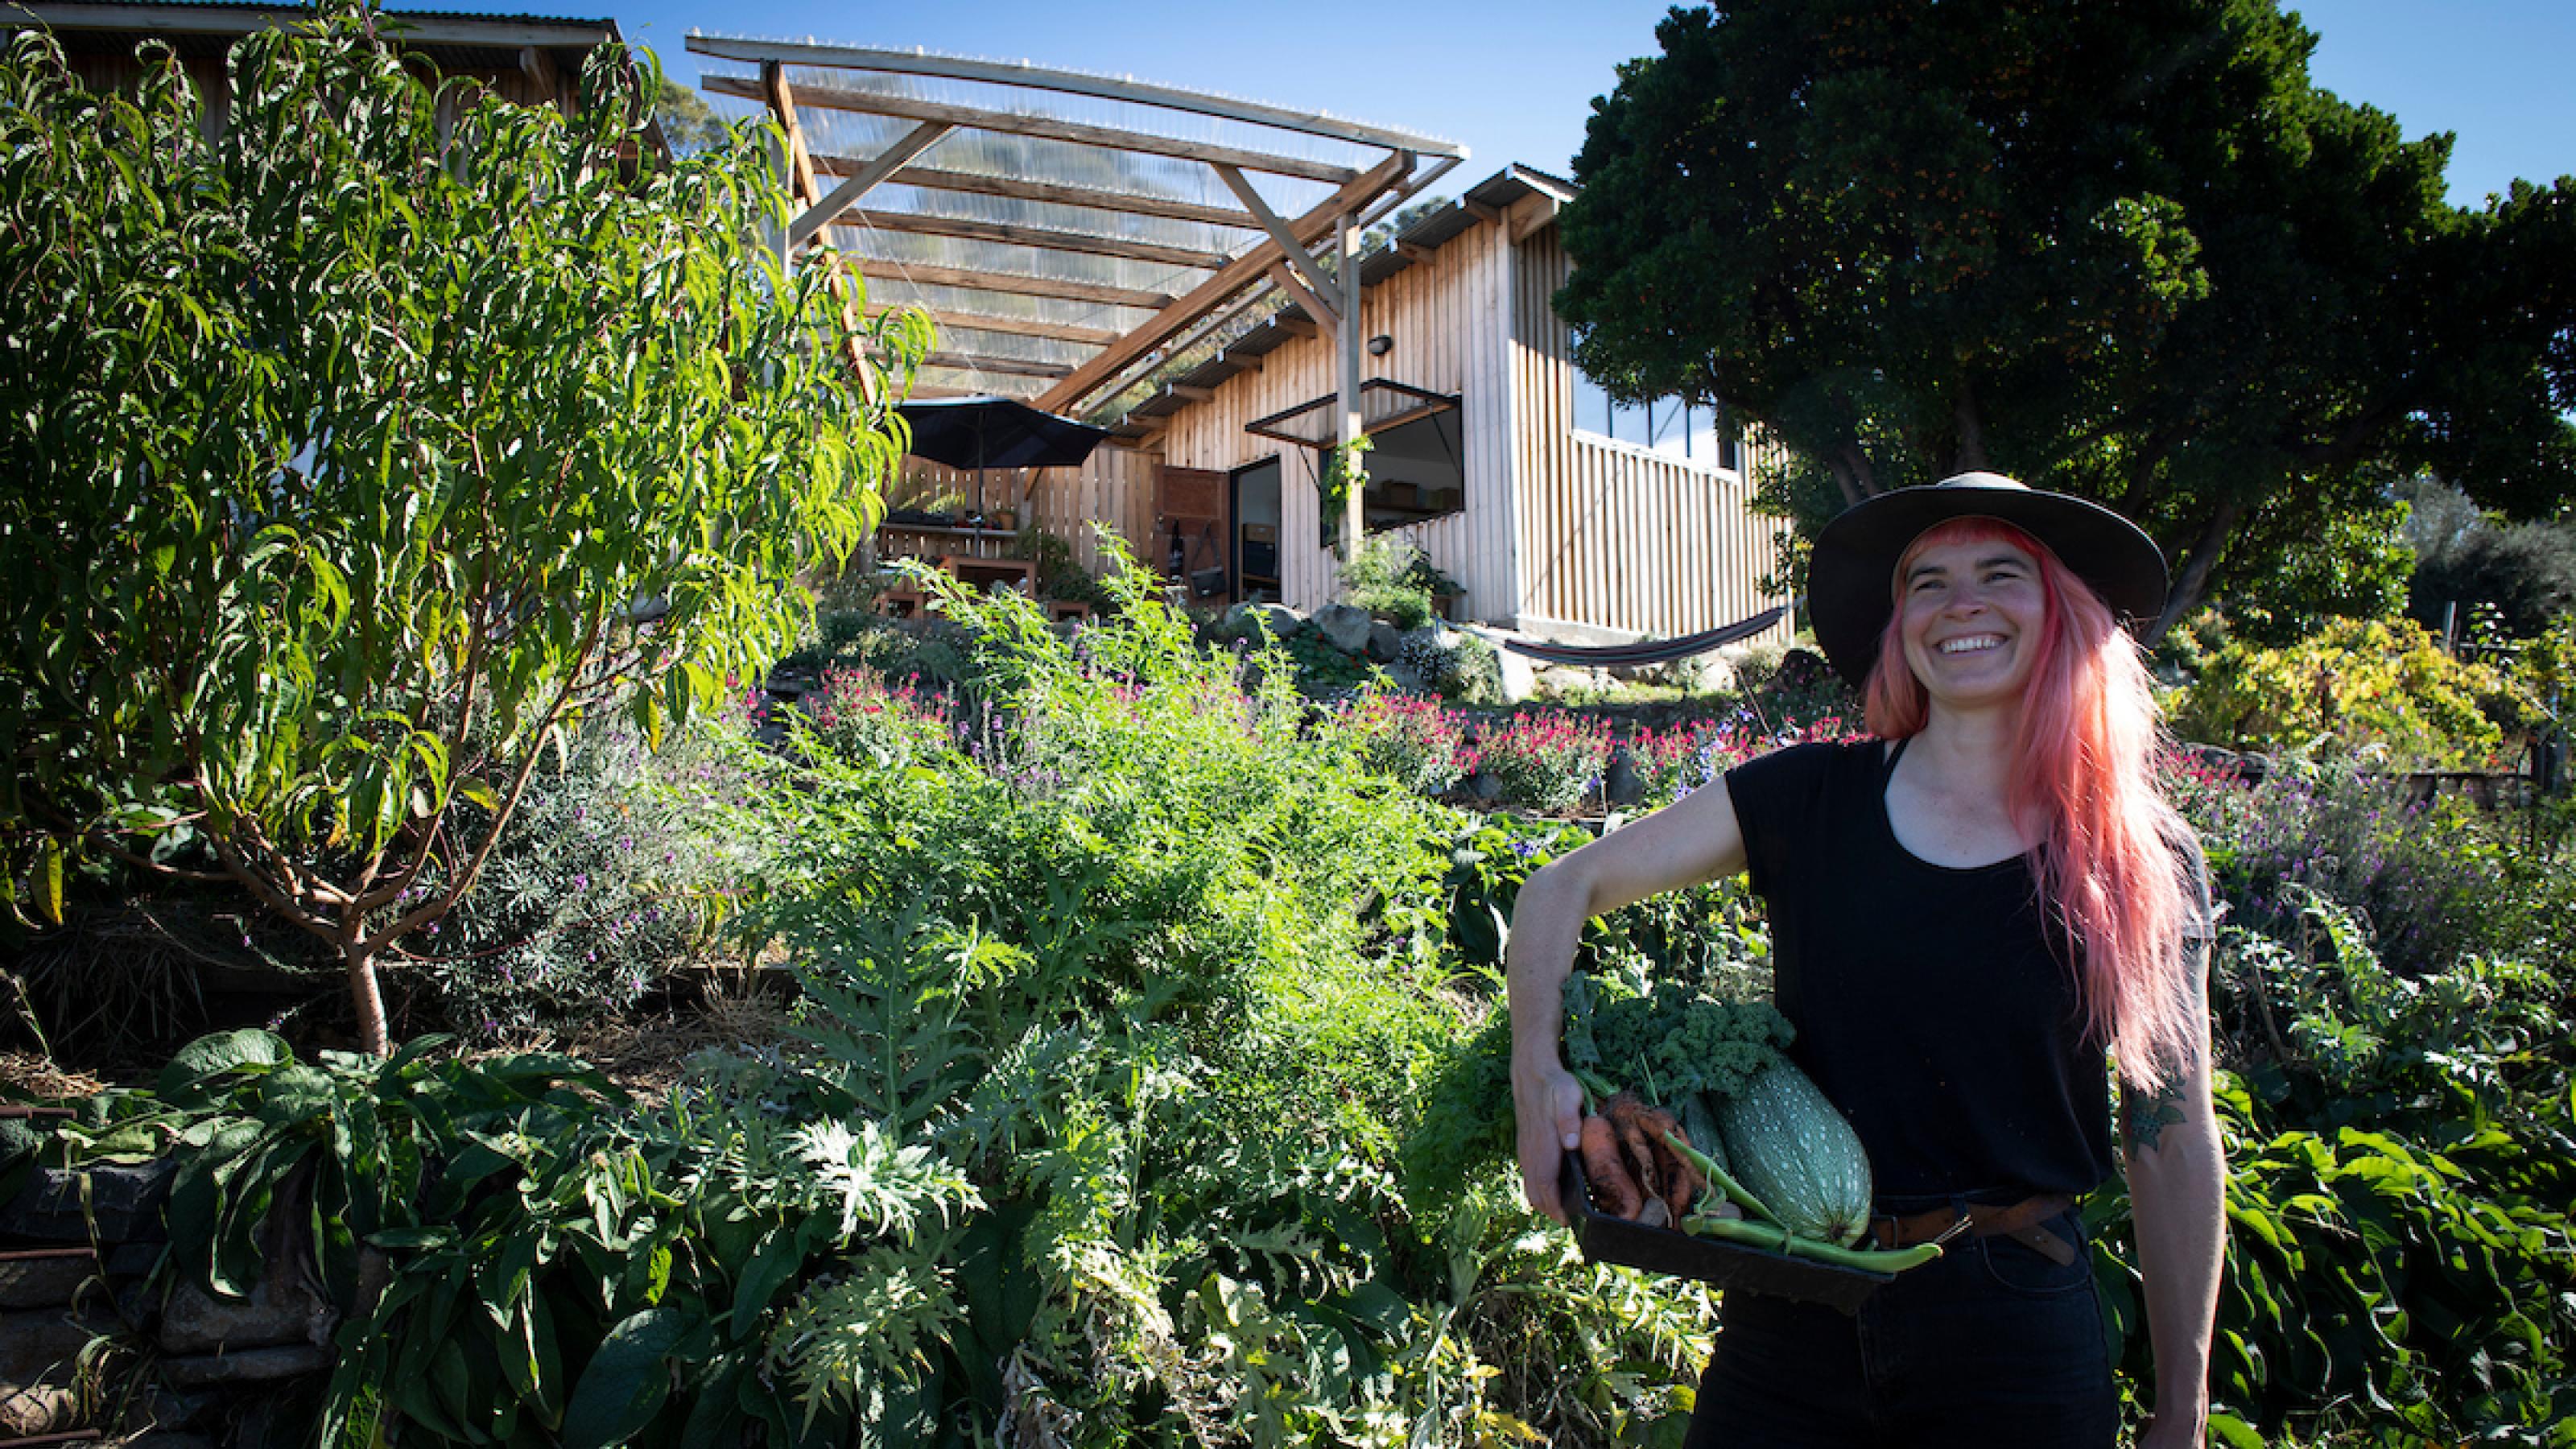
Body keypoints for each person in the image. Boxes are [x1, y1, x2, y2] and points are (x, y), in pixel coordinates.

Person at [1506, 474, 2226, 1447]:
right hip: (1791, 1306)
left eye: (2000, 574)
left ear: (2062, 611)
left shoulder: (2137, 854)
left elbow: (2169, 1138)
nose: (1959, 603)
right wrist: (1534, 1069)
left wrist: (2181, 1408)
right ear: (1899, 627)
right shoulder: (1809, 798)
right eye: (1927, 582)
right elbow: (1560, 887)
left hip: (2013, 1326)